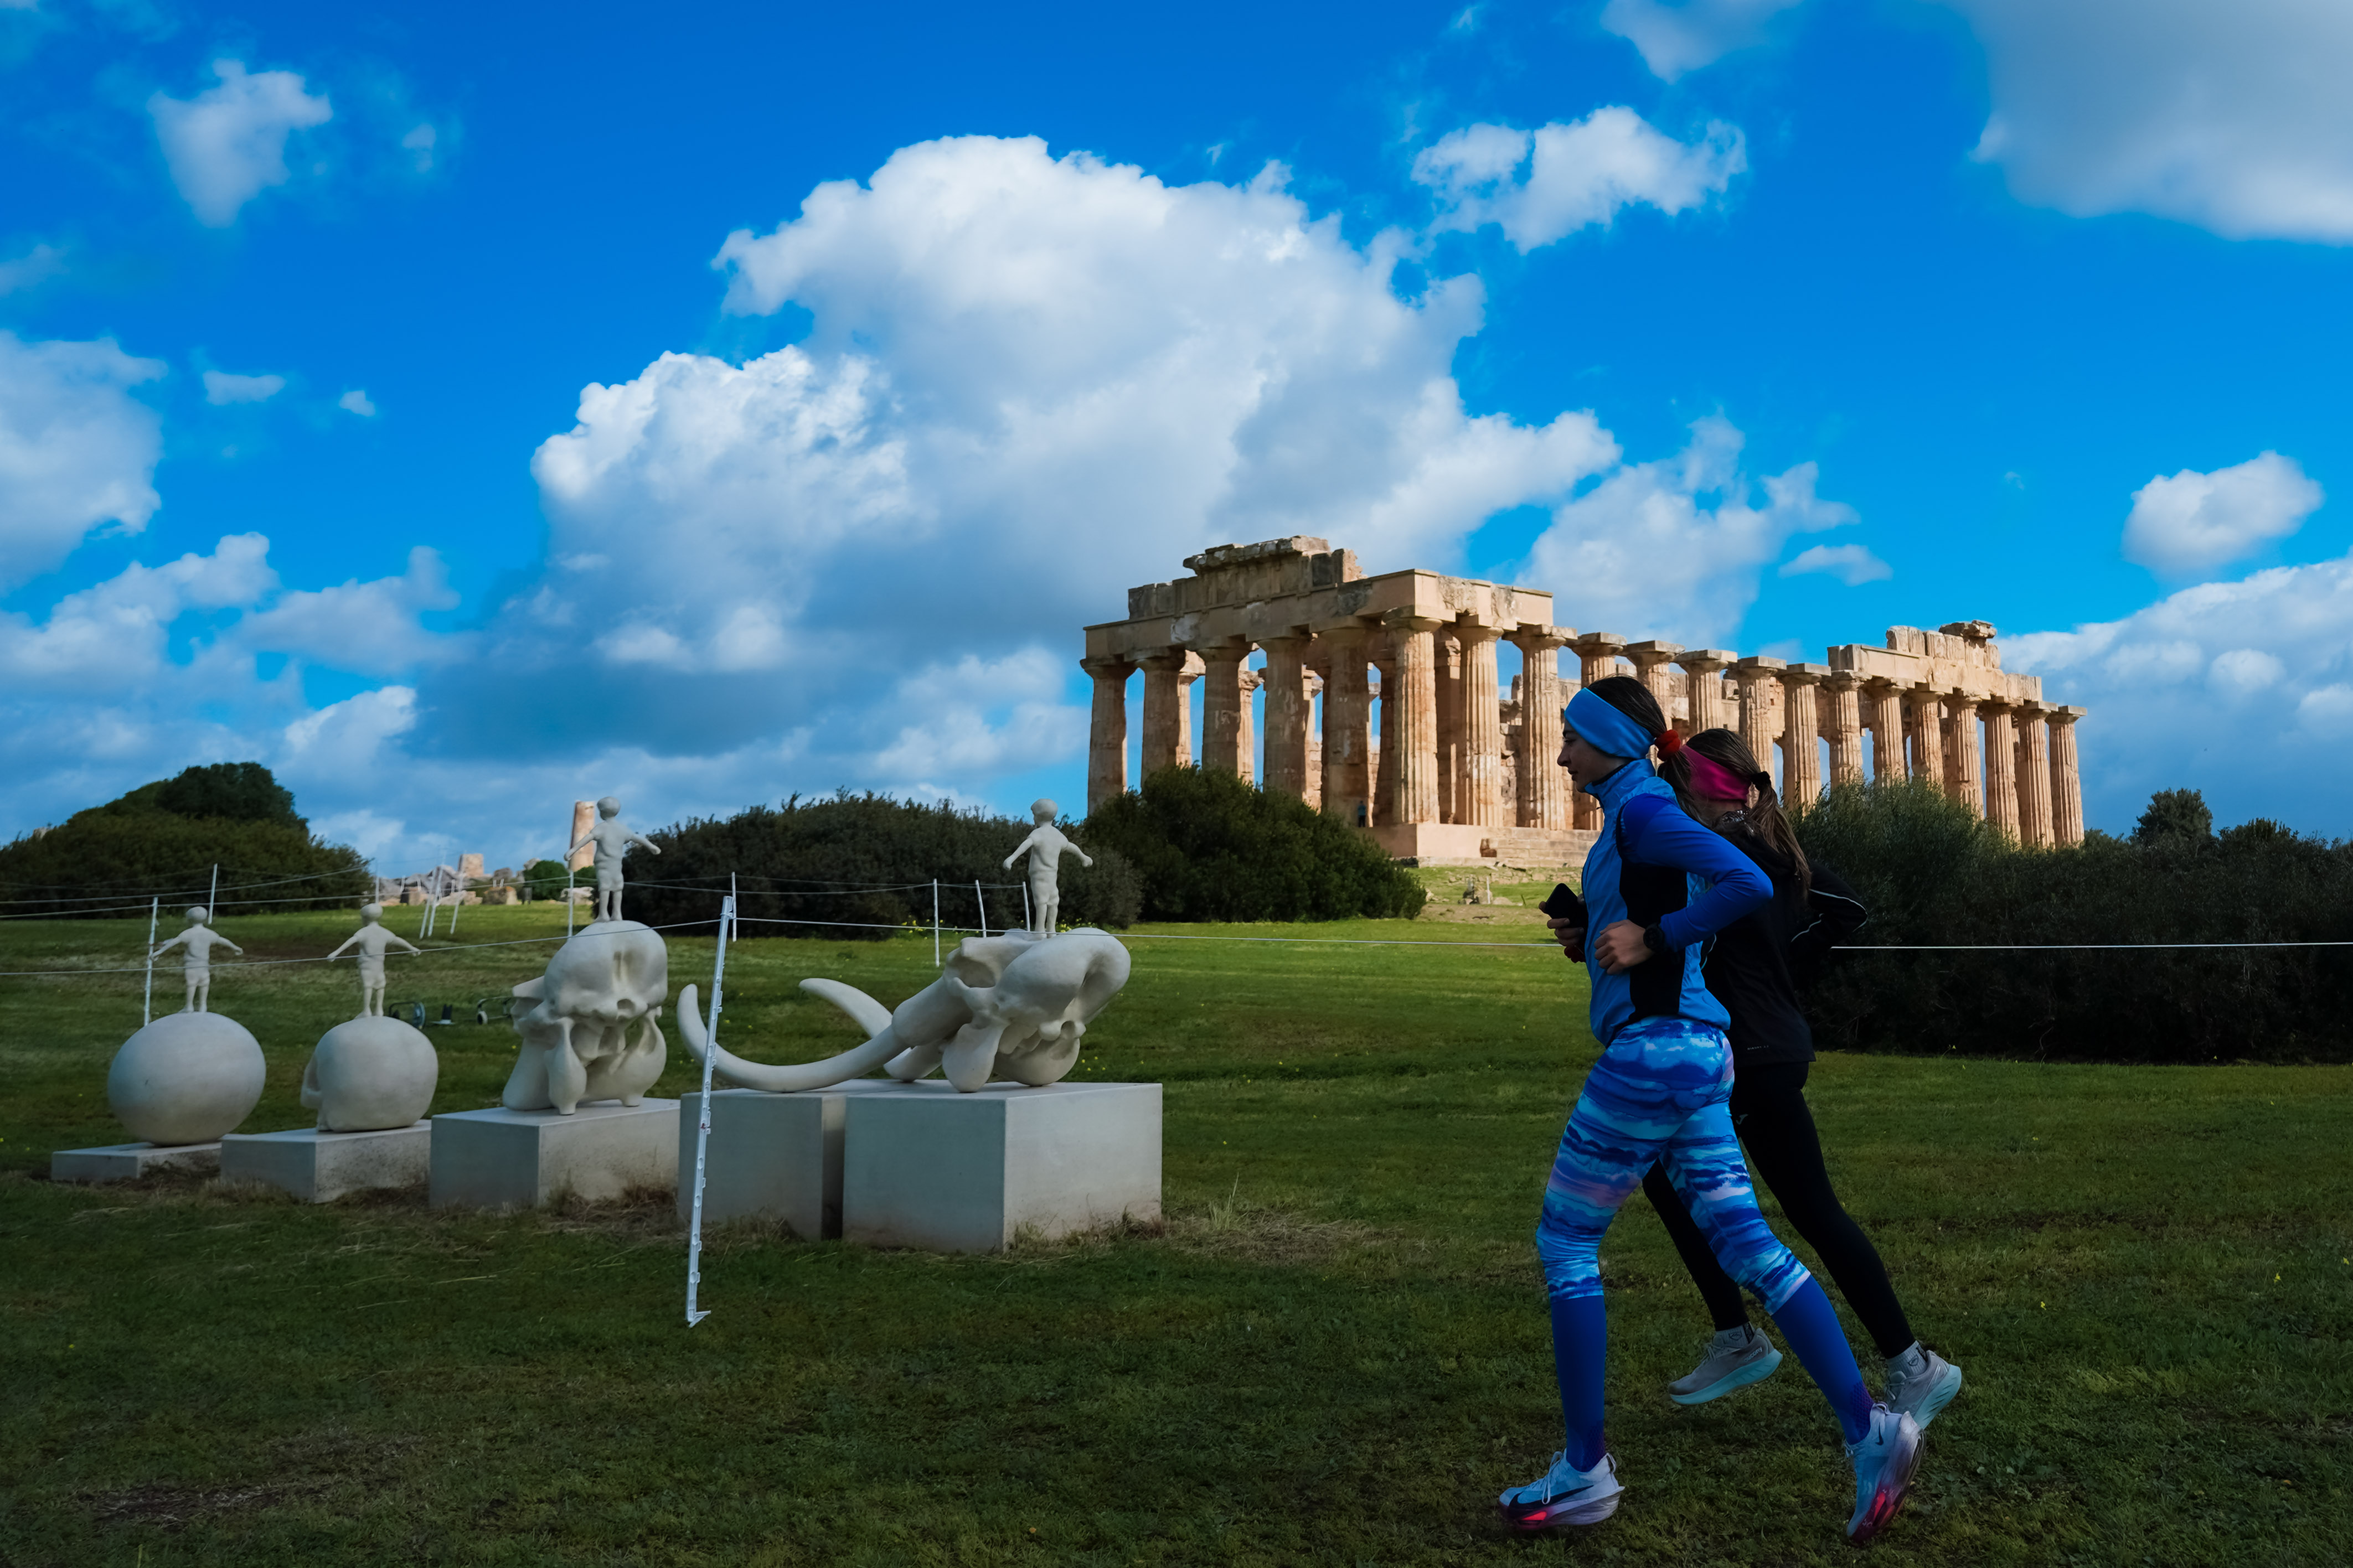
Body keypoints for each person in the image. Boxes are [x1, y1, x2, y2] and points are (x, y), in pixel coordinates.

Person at [1500, 677, 1922, 1545]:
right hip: (1696, 1052)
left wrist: (1653, 938)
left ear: (1614, 742)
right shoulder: (1635, 817)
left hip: (1654, 1053)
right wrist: (1600, 937)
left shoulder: (1643, 812)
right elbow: (1666, 913)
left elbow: (1745, 881)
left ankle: (1583, 1471)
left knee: (1566, 1241)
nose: (1559, 754)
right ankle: (1869, 1433)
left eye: (1573, 739)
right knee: (1751, 1247)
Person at [1643, 728, 1964, 1426]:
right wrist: (1786, 964)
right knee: (1668, 1176)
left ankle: (1909, 1364)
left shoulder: (1730, 852)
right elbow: (1848, 909)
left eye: (1681, 783)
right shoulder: (1774, 851)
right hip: (1768, 1042)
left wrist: (1773, 968)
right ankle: (1738, 1336)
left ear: (1704, 788)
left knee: (1809, 1209)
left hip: (1752, 1051)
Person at [1002, 798, 1092, 935]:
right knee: (1054, 901)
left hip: (1039, 876)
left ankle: (1040, 931)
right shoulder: (1058, 835)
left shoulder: (1037, 834)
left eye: (1034, 815)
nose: (1033, 819)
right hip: (1052, 876)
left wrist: (1011, 859)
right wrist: (1083, 857)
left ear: (1038, 817)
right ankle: (1051, 930)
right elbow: (1070, 846)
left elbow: (1026, 845)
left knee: (1041, 902)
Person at [568, 796, 661, 924]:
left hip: (604, 864)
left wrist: (572, 851)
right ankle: (617, 914)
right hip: (617, 864)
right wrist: (652, 846)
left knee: (604, 888)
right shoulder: (622, 829)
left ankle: (603, 914)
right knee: (618, 888)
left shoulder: (601, 828)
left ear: (601, 812)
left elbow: (587, 839)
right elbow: (637, 838)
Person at [326, 903, 423, 1018]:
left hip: (367, 966)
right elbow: (396, 940)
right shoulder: (384, 932)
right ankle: (379, 1010)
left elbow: (352, 941)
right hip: (379, 966)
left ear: (364, 918)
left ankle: (367, 1011)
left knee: (368, 986)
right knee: (380, 986)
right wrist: (411, 948)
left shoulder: (363, 932)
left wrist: (336, 953)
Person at [151, 905, 242, 1013]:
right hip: (204, 965)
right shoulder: (209, 933)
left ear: (189, 919)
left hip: (191, 965)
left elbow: (174, 942)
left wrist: (160, 952)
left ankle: (189, 1006)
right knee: (204, 983)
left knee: (191, 984)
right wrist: (235, 947)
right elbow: (222, 940)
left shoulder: (187, 933)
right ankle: (203, 1006)